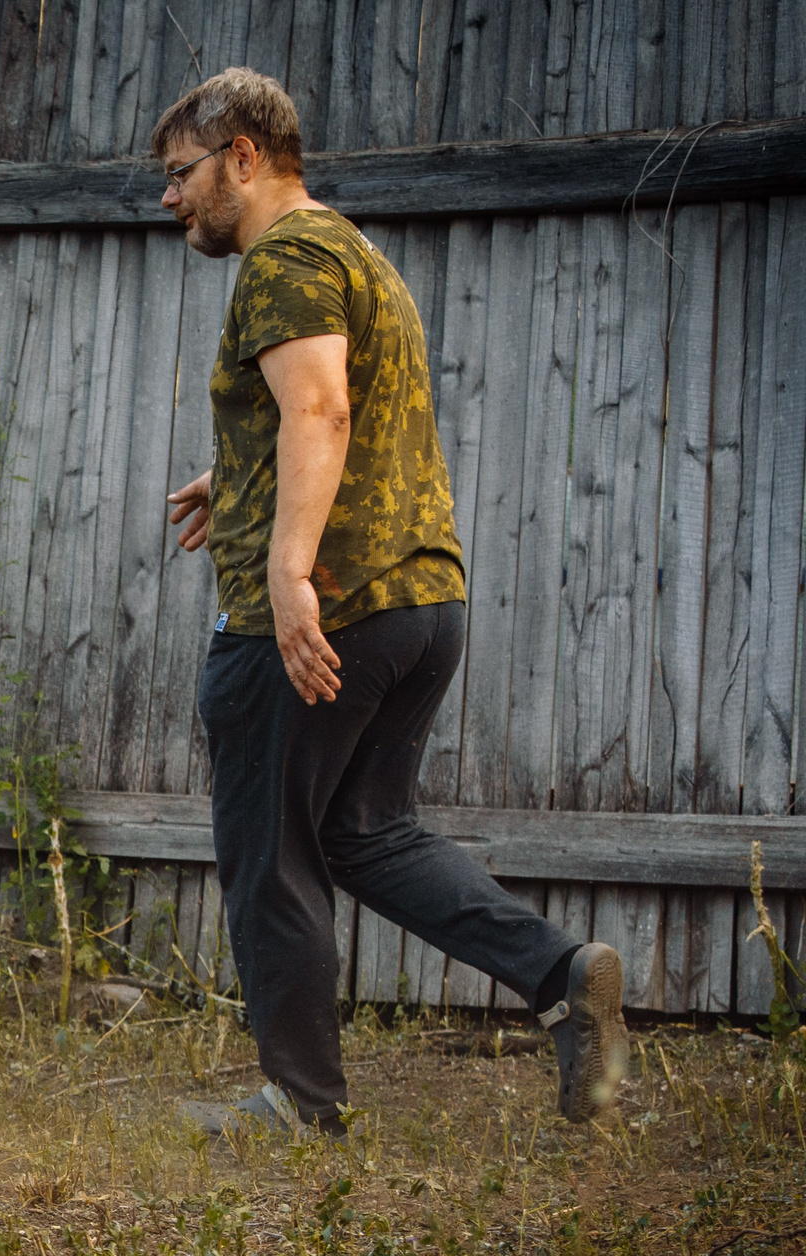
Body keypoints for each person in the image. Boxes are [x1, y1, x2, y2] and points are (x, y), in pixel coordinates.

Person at [152, 67, 626, 1136]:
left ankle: (299, 1103)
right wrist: (235, 480)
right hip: (422, 601)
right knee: (365, 833)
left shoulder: (284, 259)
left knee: (270, 851)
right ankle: (560, 973)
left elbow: (319, 408)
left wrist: (284, 579)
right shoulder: (355, 253)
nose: (168, 199)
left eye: (179, 174)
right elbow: (338, 406)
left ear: (242, 155)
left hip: (335, 602)